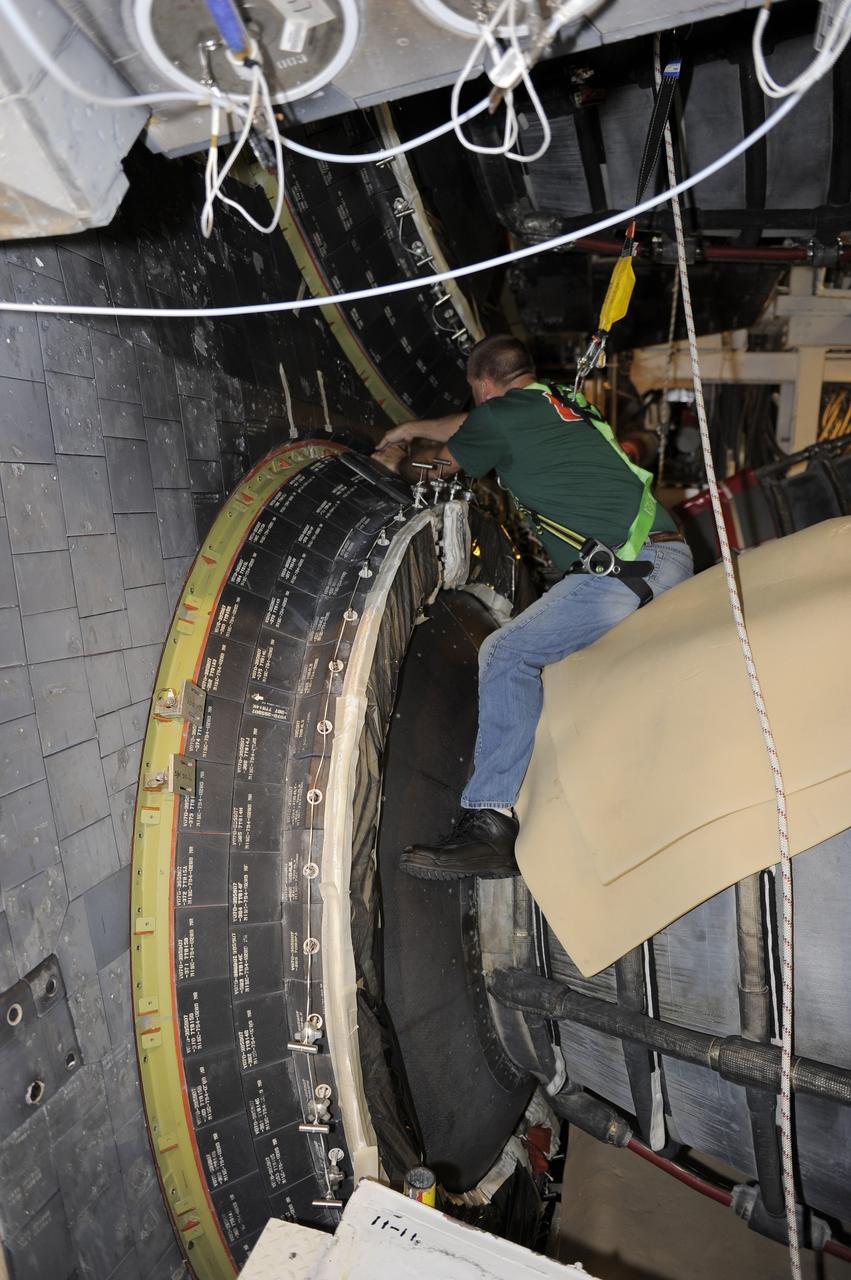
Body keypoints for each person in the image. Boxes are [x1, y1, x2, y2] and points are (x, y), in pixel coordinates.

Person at [373, 334, 693, 880]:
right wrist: (413, 426)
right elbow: (473, 425)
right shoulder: (561, 402)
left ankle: (490, 827)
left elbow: (440, 467)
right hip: (661, 557)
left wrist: (396, 457)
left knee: (505, 654)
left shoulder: (497, 418)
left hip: (622, 569)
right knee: (550, 664)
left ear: (482, 386)